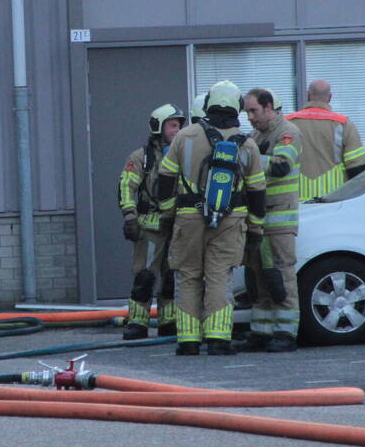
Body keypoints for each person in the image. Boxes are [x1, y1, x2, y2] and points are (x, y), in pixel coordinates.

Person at [156, 81, 266, 356]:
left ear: (208, 105)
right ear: (237, 106)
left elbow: (165, 179)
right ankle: (218, 339)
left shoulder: (184, 137)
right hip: (231, 220)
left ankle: (188, 341)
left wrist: (167, 215)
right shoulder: (248, 144)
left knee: (188, 275)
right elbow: (257, 192)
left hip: (188, 218)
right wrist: (255, 228)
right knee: (219, 276)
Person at [236, 88, 303, 353]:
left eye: (254, 111)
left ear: (269, 107)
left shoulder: (288, 132)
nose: (250, 117)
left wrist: (249, 158)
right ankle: (261, 332)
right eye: (247, 112)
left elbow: (281, 166)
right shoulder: (255, 136)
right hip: (257, 217)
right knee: (257, 276)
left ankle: (286, 332)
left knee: (281, 275)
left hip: (279, 217)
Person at [118, 104, 186, 340]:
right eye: (172, 125)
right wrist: (130, 216)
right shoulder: (141, 158)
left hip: (177, 226)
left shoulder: (184, 155)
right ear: (159, 127)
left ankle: (169, 322)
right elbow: (126, 187)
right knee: (144, 277)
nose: (177, 130)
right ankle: (138, 322)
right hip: (150, 227)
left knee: (171, 278)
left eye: (179, 126)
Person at [285, 79, 365, 201]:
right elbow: (356, 165)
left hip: (295, 198)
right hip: (333, 197)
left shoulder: (288, 122)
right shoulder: (343, 124)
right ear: (330, 97)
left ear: (308, 95)